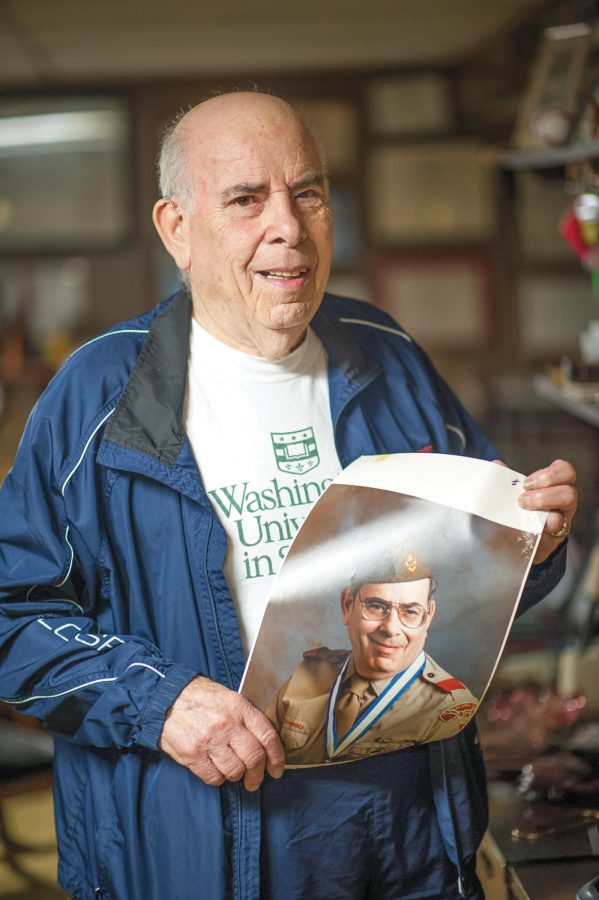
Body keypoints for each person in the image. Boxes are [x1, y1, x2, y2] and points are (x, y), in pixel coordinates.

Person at [0, 91, 578, 900]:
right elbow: (12, 617)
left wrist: (531, 546)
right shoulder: (98, 396)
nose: (289, 227)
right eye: (245, 200)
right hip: (194, 853)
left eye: (307, 192)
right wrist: (158, 702)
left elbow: (476, 583)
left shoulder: (388, 354)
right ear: (176, 229)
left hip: (409, 847)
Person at [267, 550, 479, 766]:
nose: (391, 628)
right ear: (347, 606)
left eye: (411, 612)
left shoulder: (448, 707)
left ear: (428, 617)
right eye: (377, 607)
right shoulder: (307, 674)